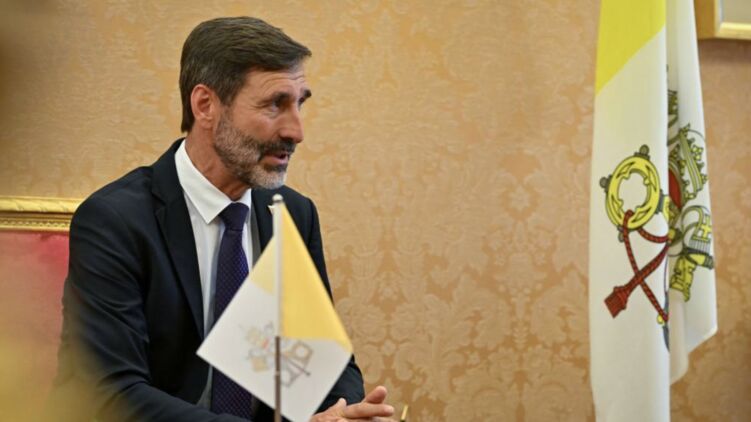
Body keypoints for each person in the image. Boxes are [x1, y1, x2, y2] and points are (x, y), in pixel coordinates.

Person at [51, 16, 394, 422]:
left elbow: (322, 364)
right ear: (205, 105)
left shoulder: (293, 214)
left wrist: (343, 412)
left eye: (300, 103)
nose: (296, 131)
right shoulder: (115, 220)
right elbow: (110, 393)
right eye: (275, 104)